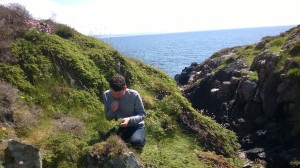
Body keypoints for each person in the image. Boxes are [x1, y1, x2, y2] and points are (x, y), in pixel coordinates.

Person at [103, 74, 146, 148]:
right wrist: (112, 111)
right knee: (105, 141)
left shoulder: (134, 95)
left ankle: (138, 137)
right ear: (110, 88)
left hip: (136, 126)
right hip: (121, 126)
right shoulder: (106, 95)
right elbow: (108, 117)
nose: (116, 97)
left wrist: (129, 119)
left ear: (125, 88)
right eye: (113, 94)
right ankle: (126, 139)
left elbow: (142, 114)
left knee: (136, 142)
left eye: (119, 94)